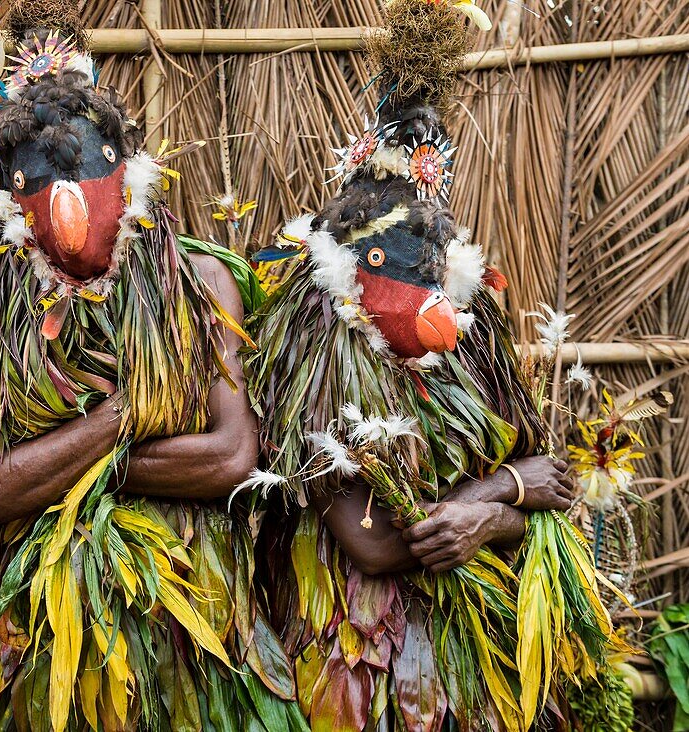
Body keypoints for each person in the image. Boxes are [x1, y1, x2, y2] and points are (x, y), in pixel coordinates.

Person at [244, 0, 617, 729]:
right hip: (356, 654)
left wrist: (495, 502)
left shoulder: (472, 327)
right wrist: (498, 499)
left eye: (430, 259)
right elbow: (378, 543)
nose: (422, 286)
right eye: (394, 261)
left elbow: (553, 482)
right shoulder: (313, 340)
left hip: (478, 657)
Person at [0, 3, 306, 730]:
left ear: (124, 163)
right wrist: (121, 419)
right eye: (37, 181)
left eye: (83, 166)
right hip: (44, 640)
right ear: (11, 199)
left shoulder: (197, 281)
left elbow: (234, 455)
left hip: (190, 617)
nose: (65, 202)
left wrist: (44, 465)